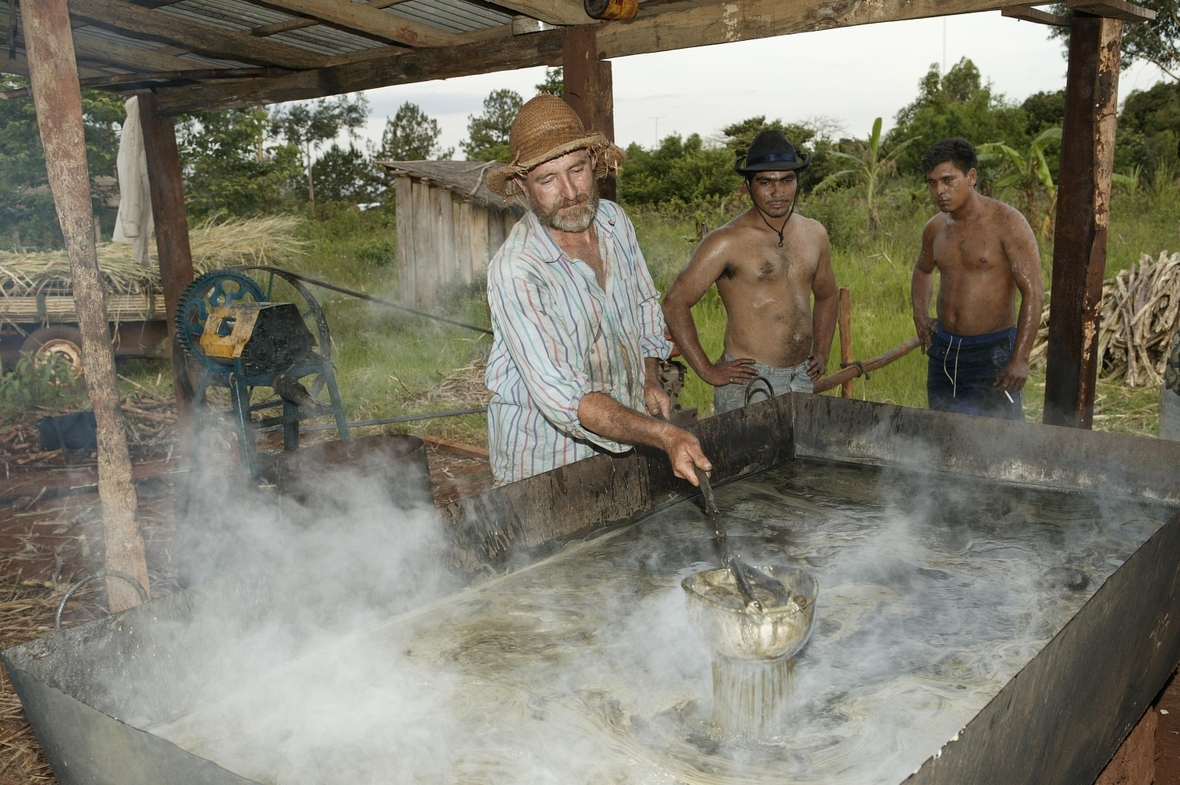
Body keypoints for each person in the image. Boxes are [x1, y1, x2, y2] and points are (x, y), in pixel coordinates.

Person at [483, 95, 711, 486]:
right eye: (548, 179)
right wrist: (663, 434)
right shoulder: (517, 270)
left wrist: (647, 376)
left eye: (577, 169)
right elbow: (565, 399)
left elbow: (642, 306)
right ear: (522, 185)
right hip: (545, 462)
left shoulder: (613, 221)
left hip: (623, 433)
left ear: (595, 162)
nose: (570, 192)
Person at [663, 129, 838, 414]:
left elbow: (828, 295)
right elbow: (674, 303)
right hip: (749, 381)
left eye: (787, 180)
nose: (778, 192)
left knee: (799, 458)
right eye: (766, 182)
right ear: (748, 184)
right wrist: (707, 369)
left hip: (801, 376)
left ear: (797, 180)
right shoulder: (726, 241)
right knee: (752, 459)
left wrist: (822, 351)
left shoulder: (814, 233)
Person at [911, 138, 1044, 420]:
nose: (940, 191)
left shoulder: (1007, 223)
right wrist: (920, 315)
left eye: (948, 180)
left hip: (992, 352)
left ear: (971, 176)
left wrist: (1020, 359)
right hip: (944, 350)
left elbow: (1033, 292)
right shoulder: (935, 227)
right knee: (942, 432)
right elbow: (923, 270)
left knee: (996, 444)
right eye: (932, 183)